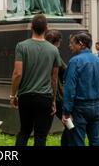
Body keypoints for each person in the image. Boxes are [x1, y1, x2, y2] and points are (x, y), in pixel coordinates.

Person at [10, 14, 61, 146]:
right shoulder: (54, 50)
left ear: (31, 27)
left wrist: (13, 95)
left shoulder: (21, 46)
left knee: (24, 131)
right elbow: (54, 78)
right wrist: (54, 100)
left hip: (25, 96)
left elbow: (17, 73)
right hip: (45, 97)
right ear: (47, 28)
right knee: (41, 135)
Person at [62, 32, 99, 146]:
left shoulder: (74, 61)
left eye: (72, 43)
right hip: (97, 105)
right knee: (96, 140)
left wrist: (66, 112)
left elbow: (70, 88)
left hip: (80, 107)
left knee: (77, 141)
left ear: (81, 44)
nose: (70, 46)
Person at [44, 29, 69, 146]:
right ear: (57, 42)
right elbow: (64, 70)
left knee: (41, 130)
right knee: (69, 123)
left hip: (39, 93)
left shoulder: (39, 49)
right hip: (55, 94)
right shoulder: (54, 52)